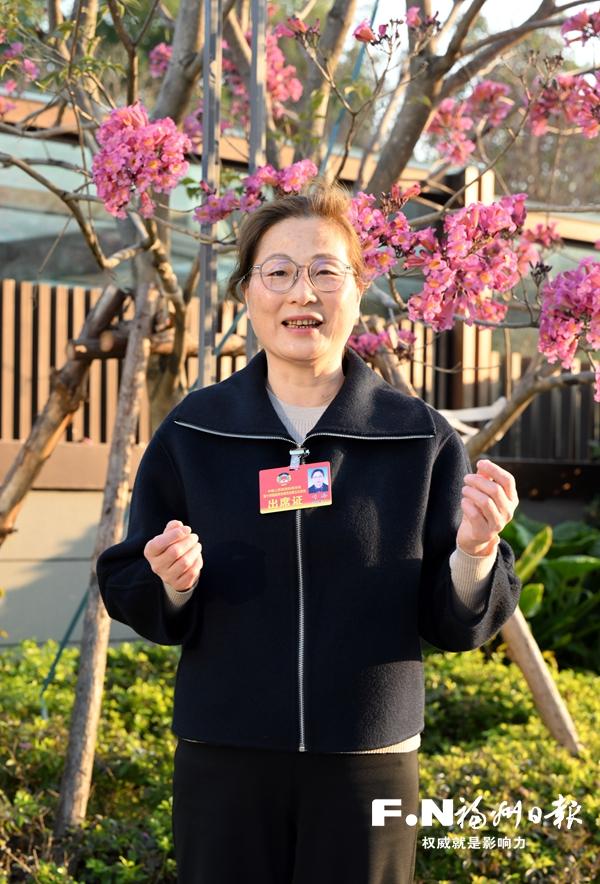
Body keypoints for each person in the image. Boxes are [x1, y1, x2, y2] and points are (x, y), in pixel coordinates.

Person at [96, 181, 521, 884]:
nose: (303, 292)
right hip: (224, 754)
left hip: (371, 760)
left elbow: (454, 623)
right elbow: (128, 581)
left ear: (357, 291)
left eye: (326, 271)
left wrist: (475, 555)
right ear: (247, 292)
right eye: (280, 271)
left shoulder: (419, 438)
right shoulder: (194, 431)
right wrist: (168, 582)